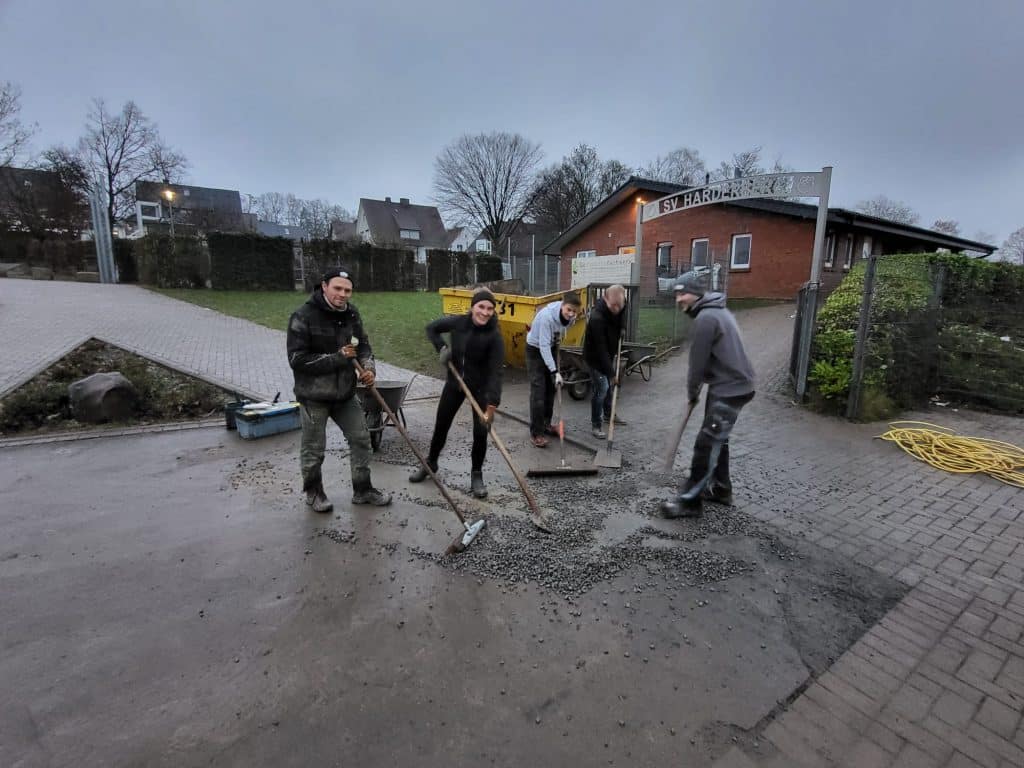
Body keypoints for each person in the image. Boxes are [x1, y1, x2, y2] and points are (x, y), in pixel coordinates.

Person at [286, 267, 392, 513]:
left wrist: (368, 369)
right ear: (324, 286)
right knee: (314, 448)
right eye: (337, 288)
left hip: (345, 394)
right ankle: (314, 492)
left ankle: (363, 489)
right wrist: (337, 358)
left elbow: (363, 346)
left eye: (347, 290)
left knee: (361, 439)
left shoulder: (351, 314)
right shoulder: (303, 316)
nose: (343, 294)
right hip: (314, 396)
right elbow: (297, 360)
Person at [661, 270, 755, 519]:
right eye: (676, 294)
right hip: (731, 385)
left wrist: (692, 393)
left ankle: (689, 502)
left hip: (730, 388)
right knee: (718, 438)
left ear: (695, 293)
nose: (678, 299)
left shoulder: (706, 318)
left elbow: (697, 365)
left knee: (706, 444)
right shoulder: (718, 311)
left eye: (682, 294)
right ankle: (722, 489)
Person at [409, 289, 504, 498]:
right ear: (473, 307)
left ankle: (477, 475)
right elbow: (431, 328)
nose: (485, 312)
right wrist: (442, 348)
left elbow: (496, 372)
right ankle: (431, 463)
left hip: (480, 389)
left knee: (480, 432)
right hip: (455, 384)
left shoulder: (494, 336)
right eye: (481, 306)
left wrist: (491, 405)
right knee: (441, 424)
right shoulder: (459, 323)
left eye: (490, 308)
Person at [524, 291, 582, 447]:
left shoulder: (571, 317)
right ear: (562, 305)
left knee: (550, 390)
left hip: (551, 346)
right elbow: (543, 346)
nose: (571, 314)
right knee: (538, 392)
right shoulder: (547, 317)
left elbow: (561, 331)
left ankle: (546, 425)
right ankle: (536, 433)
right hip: (535, 350)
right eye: (568, 309)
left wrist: (556, 346)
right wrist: (555, 371)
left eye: (574, 311)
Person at [583, 284, 627, 439]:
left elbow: (623, 311)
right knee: (602, 388)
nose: (617, 309)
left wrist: (622, 327)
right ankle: (596, 425)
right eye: (614, 306)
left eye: (619, 305)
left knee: (608, 387)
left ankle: (609, 414)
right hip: (595, 357)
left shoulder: (620, 304)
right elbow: (601, 350)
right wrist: (612, 373)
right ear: (605, 299)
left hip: (609, 351)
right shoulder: (597, 319)